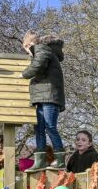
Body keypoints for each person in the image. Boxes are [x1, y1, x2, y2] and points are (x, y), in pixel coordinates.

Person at [21, 31, 67, 171]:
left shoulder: (42, 50)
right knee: (39, 129)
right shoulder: (45, 52)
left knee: (50, 127)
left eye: (27, 50)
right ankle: (39, 161)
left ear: (29, 45)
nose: (28, 53)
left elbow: (37, 65)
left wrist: (24, 74)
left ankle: (60, 160)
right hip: (42, 96)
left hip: (49, 96)